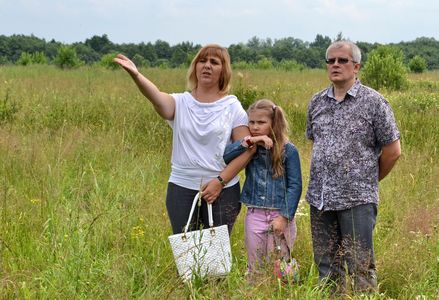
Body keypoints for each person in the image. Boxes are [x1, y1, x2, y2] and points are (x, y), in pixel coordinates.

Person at [114, 44, 251, 234]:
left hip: (223, 189)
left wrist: (220, 181)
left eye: (214, 62)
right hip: (182, 187)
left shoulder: (232, 106)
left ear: (224, 70)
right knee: (186, 254)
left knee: (216, 257)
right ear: (195, 67)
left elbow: (248, 149)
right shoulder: (180, 102)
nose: (207, 66)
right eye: (202, 61)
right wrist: (137, 76)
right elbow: (156, 97)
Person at [305, 40, 401, 292]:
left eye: (342, 60)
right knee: (326, 266)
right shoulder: (317, 103)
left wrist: (367, 180)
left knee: (360, 265)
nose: (335, 65)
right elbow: (316, 143)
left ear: (356, 66)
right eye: (331, 60)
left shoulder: (374, 103)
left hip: (357, 199)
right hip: (320, 199)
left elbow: (393, 150)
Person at [223, 99, 302, 276]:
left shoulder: (288, 151)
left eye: (261, 122)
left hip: (280, 214)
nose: (255, 126)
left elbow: (295, 186)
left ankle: (280, 292)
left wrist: (284, 217)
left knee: (281, 267)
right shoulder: (251, 148)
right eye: (251, 122)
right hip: (255, 214)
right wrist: (252, 140)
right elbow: (227, 156)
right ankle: (256, 290)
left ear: (274, 123)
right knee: (255, 266)